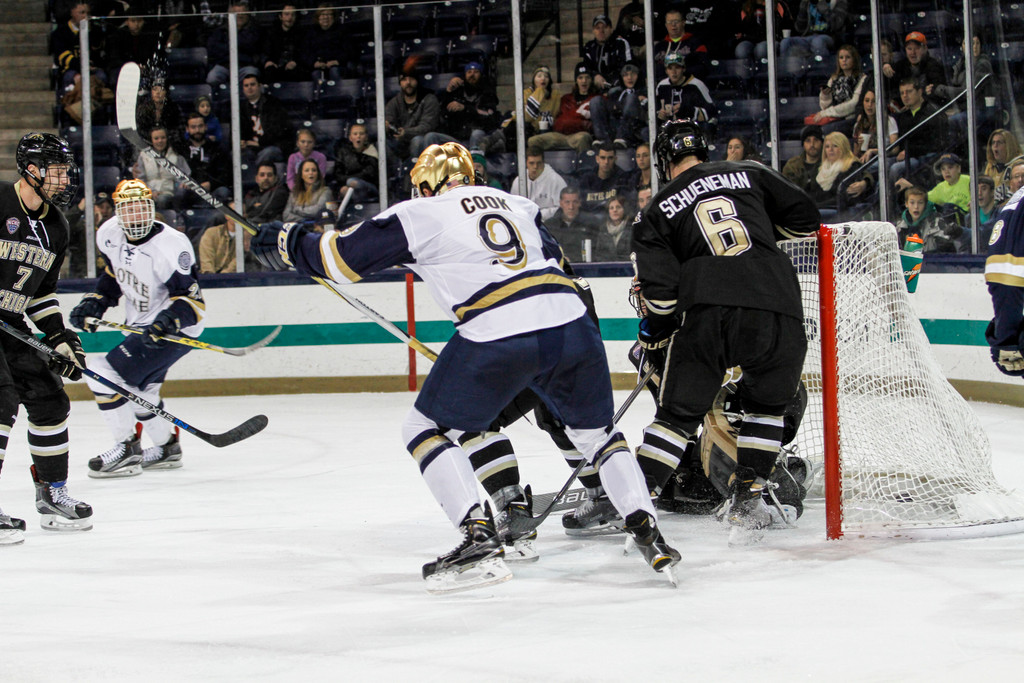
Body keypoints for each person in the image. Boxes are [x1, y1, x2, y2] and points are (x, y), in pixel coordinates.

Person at [250, 142, 680, 589]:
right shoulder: (519, 204)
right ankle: (649, 532)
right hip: (572, 324)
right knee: (598, 435)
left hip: (499, 328)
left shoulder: (423, 212)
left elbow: (338, 259)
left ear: (428, 185)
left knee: (424, 428)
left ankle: (478, 535)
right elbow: (558, 267)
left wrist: (285, 241)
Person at [623, 119, 821, 539]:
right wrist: (759, 230)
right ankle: (746, 506)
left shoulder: (654, 211)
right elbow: (806, 218)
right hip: (778, 302)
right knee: (767, 409)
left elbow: (662, 300)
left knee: (675, 418)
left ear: (663, 162)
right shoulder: (750, 171)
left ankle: (636, 509)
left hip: (709, 311)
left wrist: (655, 332)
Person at [69, 179, 204, 478]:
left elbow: (193, 303)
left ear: (151, 208)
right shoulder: (109, 234)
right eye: (128, 209)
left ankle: (126, 448)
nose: (136, 215)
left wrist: (168, 321)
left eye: (141, 207)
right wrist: (97, 301)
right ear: (118, 211)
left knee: (101, 371)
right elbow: (114, 274)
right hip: (138, 326)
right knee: (141, 389)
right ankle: (166, 448)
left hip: (174, 330)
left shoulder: (171, 245)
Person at [0, 132, 92, 543]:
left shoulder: (56, 226)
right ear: (32, 170)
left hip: (8, 321)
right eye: (57, 171)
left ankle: (52, 494)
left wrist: (58, 336)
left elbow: (39, 293)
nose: (65, 179)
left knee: (49, 398)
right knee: (1, 402)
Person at [985, 179, 1024, 378]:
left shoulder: (1018, 197)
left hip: (999, 270)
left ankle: (1006, 344)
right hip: (1015, 268)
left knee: (1008, 352)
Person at [481, 65, 562, 155]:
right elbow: (526, 117)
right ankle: (489, 143)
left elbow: (554, 114)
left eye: (546, 76)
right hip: (524, 127)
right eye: (539, 76)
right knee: (517, 126)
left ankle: (499, 145)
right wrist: (539, 91)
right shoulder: (526, 93)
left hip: (542, 131)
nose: (543, 79)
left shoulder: (555, 95)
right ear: (534, 80)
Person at [527, 63, 600, 154]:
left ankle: (584, 163)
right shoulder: (566, 98)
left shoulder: (596, 99)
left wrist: (573, 122)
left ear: (591, 80)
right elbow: (558, 122)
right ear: (576, 80)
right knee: (533, 141)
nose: (584, 81)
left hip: (578, 135)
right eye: (580, 78)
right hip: (560, 135)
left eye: (587, 78)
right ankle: (538, 163)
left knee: (583, 138)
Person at [890, 78, 948, 190]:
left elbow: (936, 144)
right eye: (902, 93)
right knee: (883, 164)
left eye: (909, 91)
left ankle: (891, 201)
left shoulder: (933, 113)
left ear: (920, 92)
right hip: (907, 156)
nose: (905, 96)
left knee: (895, 169)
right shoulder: (903, 116)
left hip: (924, 158)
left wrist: (909, 151)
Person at [430, 62, 500, 152]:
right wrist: (448, 91)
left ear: (481, 75)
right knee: (431, 136)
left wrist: (465, 108)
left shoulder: (487, 93)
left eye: (476, 72)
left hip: (477, 137)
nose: (472, 75)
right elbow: (443, 113)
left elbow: (489, 117)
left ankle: (474, 159)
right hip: (457, 140)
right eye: (469, 72)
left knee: (477, 133)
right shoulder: (458, 92)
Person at [806, 44, 867, 136]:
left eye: (847, 57)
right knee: (811, 131)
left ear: (854, 59)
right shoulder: (834, 78)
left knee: (826, 131)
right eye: (841, 57)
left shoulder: (862, 78)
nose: (844, 60)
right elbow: (824, 107)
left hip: (852, 118)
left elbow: (853, 104)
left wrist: (825, 113)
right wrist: (825, 96)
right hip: (834, 117)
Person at [383, 69, 441, 162]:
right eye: (404, 80)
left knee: (417, 140)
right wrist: (388, 126)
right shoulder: (394, 102)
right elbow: (390, 119)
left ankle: (418, 169)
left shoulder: (429, 99)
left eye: (412, 79)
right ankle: (396, 169)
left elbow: (427, 127)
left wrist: (406, 132)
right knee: (383, 143)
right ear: (400, 83)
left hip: (425, 141)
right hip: (402, 142)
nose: (408, 83)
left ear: (417, 81)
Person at [238, 73, 294, 168]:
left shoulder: (273, 103)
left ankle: (256, 175)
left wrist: (260, 142)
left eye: (252, 84)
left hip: (272, 146)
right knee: (238, 154)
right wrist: (242, 142)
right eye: (246, 85)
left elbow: (278, 130)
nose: (249, 88)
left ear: (259, 86)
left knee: (267, 154)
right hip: (251, 147)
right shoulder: (241, 108)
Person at [176, 112, 231, 205]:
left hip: (212, 190)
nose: (197, 130)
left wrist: (210, 184)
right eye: (193, 127)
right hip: (189, 190)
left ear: (206, 127)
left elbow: (225, 174)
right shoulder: (181, 149)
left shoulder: (217, 148)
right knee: (180, 193)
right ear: (187, 129)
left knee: (223, 192)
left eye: (200, 126)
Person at [131, 125, 190, 211]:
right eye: (156, 138)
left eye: (163, 138)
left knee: (163, 200)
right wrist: (151, 191)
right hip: (148, 193)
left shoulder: (176, 156)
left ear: (167, 139)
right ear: (151, 140)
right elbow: (140, 179)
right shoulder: (143, 156)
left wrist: (183, 183)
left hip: (169, 192)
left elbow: (184, 176)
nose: (160, 141)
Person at [882, 32, 947, 110]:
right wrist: (885, 68)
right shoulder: (900, 66)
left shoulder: (934, 66)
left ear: (925, 48)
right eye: (909, 49)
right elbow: (889, 89)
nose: (913, 53)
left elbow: (938, 95)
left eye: (917, 48)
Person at [590, 61, 648, 149]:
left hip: (634, 130)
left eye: (633, 74)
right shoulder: (615, 92)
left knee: (631, 97)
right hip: (614, 127)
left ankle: (622, 137)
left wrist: (639, 101)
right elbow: (611, 108)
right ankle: (602, 139)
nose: (629, 78)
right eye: (625, 75)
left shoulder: (646, 92)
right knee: (595, 100)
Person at [205, 1, 262, 89]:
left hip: (246, 65)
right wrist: (233, 47)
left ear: (247, 15)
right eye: (236, 14)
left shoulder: (254, 30)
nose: (239, 16)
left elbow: (250, 46)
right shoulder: (221, 30)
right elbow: (213, 48)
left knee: (251, 80)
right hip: (224, 65)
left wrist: (229, 46)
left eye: (242, 14)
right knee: (212, 78)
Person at [807, 131, 866, 214]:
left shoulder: (852, 166)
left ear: (843, 148)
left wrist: (815, 207)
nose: (830, 150)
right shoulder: (819, 168)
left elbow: (845, 197)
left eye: (835, 146)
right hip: (819, 208)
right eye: (827, 147)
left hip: (839, 211)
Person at [894, 185, 962, 253]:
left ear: (925, 204)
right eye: (912, 203)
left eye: (920, 203)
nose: (916, 207)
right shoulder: (899, 228)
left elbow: (947, 250)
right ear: (906, 204)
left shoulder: (937, 223)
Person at [655, 52, 716, 125]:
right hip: (669, 128)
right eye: (670, 68)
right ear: (666, 71)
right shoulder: (661, 86)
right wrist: (659, 115)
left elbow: (712, 111)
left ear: (683, 69)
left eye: (677, 67)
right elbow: (654, 110)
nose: (674, 72)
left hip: (693, 127)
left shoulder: (696, 85)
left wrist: (689, 110)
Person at [578, 141, 633, 219]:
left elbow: (624, 205)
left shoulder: (623, 178)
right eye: (603, 158)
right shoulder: (587, 179)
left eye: (610, 158)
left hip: (613, 219)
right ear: (597, 159)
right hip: (590, 220)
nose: (606, 162)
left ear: (615, 159)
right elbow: (581, 205)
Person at [509, 146, 568, 220]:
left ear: (543, 162)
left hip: (548, 223)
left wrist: (540, 215)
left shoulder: (556, 180)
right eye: (531, 163)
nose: (535, 167)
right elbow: (512, 205)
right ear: (526, 163)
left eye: (539, 163)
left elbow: (563, 208)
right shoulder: (519, 181)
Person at [543, 186, 600, 261]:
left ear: (580, 203)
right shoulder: (549, 225)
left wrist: (573, 260)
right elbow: (545, 251)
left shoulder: (591, 223)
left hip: (584, 266)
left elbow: (598, 251)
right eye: (567, 202)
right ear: (561, 203)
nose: (571, 207)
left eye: (575, 202)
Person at [652, 8, 708, 81]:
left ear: (683, 23)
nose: (673, 25)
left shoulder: (695, 43)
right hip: (662, 84)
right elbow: (648, 68)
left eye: (676, 21)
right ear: (666, 25)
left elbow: (702, 67)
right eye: (670, 22)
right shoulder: (659, 46)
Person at [782, 0, 848, 62]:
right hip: (808, 37)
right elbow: (800, 29)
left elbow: (837, 25)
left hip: (829, 36)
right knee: (786, 42)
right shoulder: (809, 3)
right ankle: (784, 68)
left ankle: (822, 68)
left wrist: (826, 11)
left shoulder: (839, 2)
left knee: (817, 42)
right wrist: (802, 11)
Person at [332, 122, 379, 205]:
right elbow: (338, 174)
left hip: (368, 187)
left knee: (353, 182)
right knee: (344, 189)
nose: (358, 136)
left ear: (366, 137)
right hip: (349, 185)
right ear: (350, 138)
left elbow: (369, 174)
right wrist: (348, 181)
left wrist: (351, 180)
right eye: (355, 134)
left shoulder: (372, 151)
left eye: (361, 134)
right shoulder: (343, 152)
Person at [582, 14, 632, 92]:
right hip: (596, 87)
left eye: (604, 27)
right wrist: (595, 76)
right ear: (593, 31)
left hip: (617, 86)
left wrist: (607, 81)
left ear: (611, 29)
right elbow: (586, 68)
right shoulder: (589, 47)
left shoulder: (620, 44)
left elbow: (627, 67)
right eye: (597, 28)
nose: (601, 31)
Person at [851, 87, 897, 165]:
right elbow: (855, 154)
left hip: (883, 159)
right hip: (863, 160)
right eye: (867, 101)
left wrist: (873, 151)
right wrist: (859, 146)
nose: (869, 105)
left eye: (873, 101)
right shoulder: (858, 125)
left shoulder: (889, 121)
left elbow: (895, 149)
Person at [302, 4, 347, 84]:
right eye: (323, 14)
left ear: (333, 17)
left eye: (329, 14)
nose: (326, 17)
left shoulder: (341, 31)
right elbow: (305, 52)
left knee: (334, 71)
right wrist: (314, 63)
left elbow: (349, 51)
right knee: (316, 75)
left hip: (336, 65)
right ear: (318, 17)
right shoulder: (311, 33)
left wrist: (337, 61)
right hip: (317, 66)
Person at [136, 79, 184, 148]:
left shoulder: (174, 108)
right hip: (147, 144)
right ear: (151, 92)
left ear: (166, 92)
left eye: (162, 89)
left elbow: (179, 129)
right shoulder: (143, 109)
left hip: (170, 145)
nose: (158, 93)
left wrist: (164, 138)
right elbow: (140, 130)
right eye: (155, 89)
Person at [262, 3, 304, 83]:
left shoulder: (301, 33)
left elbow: (304, 52)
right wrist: (267, 61)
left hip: (295, 66)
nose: (290, 18)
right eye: (287, 14)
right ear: (280, 16)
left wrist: (295, 62)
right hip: (275, 65)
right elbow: (265, 51)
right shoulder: (271, 33)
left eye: (293, 15)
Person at [283, 159, 334, 223]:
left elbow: (317, 211)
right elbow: (286, 215)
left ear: (318, 174)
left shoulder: (325, 191)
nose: (311, 173)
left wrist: (296, 209)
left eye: (314, 170)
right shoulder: (295, 192)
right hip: (297, 226)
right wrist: (304, 220)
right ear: (301, 175)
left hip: (315, 227)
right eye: (307, 170)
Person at [984, 129, 1022, 202]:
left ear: (1009, 146)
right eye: (993, 143)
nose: (995, 146)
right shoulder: (990, 166)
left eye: (999, 142)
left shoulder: (1020, 165)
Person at [783, 124, 823, 192]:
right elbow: (786, 191)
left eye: (816, 140)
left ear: (822, 143)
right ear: (803, 144)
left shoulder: (829, 164)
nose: (812, 144)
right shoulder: (792, 165)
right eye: (808, 140)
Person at [593, 194, 632, 261]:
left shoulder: (631, 228)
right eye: (611, 208)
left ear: (624, 209)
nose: (615, 210)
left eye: (618, 207)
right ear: (608, 211)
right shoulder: (603, 231)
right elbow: (599, 255)